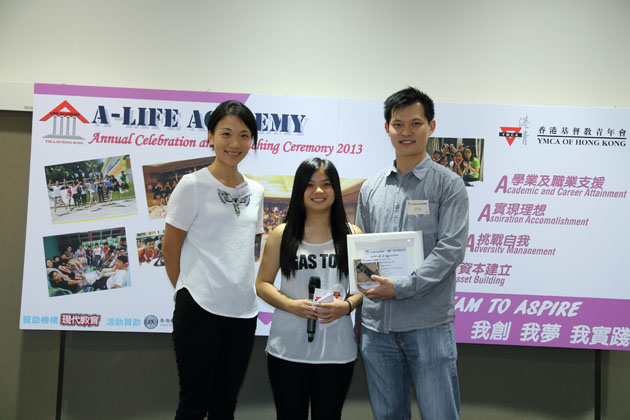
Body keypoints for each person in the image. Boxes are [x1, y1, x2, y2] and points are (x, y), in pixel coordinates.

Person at [355, 87, 469, 420]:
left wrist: (401, 287)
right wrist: (361, 315)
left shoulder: (448, 185)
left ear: (431, 126)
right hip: (377, 327)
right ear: (387, 128)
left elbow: (450, 250)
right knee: (387, 415)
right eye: (398, 124)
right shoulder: (371, 187)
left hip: (428, 324)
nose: (406, 132)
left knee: (439, 413)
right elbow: (361, 251)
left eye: (415, 123)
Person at [162, 100, 264, 420]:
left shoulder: (256, 192)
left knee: (225, 406)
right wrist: (186, 290)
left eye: (244, 135)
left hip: (243, 312)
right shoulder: (192, 185)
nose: (235, 143)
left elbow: (246, 247)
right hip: (199, 308)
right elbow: (169, 248)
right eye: (226, 134)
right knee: (193, 405)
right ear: (210, 136)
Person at [256, 158, 362, 420]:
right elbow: (262, 284)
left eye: (326, 184)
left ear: (335, 189)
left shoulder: (353, 234)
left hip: (336, 351)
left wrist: (347, 305)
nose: (318, 191)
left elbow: (365, 286)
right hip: (287, 349)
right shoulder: (281, 234)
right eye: (310, 185)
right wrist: (291, 305)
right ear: (299, 190)